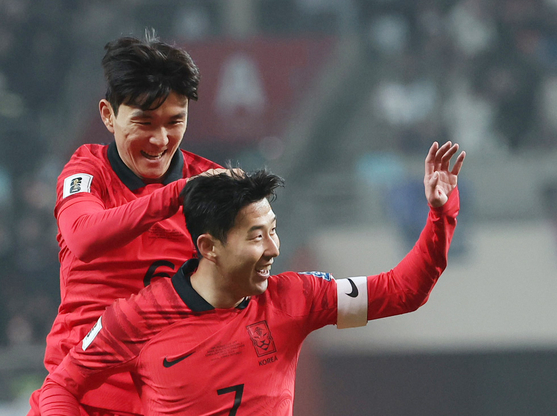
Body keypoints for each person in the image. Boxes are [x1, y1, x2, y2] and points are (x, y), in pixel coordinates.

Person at [37, 141, 465, 416]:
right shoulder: (135, 319)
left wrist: (440, 215)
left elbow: (403, 292)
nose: (274, 248)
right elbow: (61, 386)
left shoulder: (296, 299)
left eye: (273, 230)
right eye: (257, 237)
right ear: (209, 247)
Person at [28, 31, 226, 416]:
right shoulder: (88, 171)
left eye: (175, 121)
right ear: (108, 115)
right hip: (78, 401)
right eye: (144, 122)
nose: (160, 139)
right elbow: (83, 236)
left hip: (171, 403)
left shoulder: (209, 184)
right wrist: (176, 196)